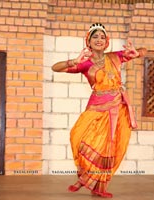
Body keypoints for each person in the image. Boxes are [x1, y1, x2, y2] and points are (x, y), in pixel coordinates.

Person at [51, 23, 146, 198]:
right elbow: (55, 67)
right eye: (95, 37)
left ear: (107, 41)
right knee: (77, 136)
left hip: (116, 106)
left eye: (102, 37)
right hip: (96, 105)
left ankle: (99, 187)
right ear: (89, 41)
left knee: (108, 146)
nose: (99, 40)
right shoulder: (85, 64)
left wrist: (138, 53)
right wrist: (73, 61)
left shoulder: (115, 57)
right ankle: (86, 176)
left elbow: (144, 51)